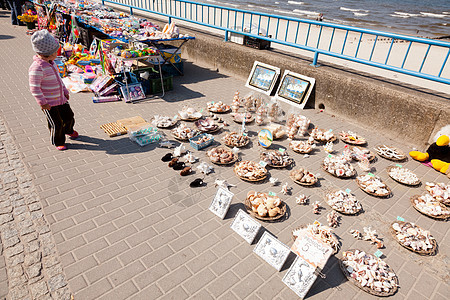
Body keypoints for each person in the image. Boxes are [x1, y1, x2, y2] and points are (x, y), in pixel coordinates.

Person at [29, 30, 78, 151]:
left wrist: (65, 91)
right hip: (49, 103)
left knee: (69, 116)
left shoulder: (52, 63)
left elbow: (59, 80)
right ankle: (58, 141)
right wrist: (42, 102)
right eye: (55, 52)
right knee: (56, 124)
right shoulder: (37, 68)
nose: (57, 53)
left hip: (61, 98)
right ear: (47, 54)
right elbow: (34, 88)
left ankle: (68, 130)